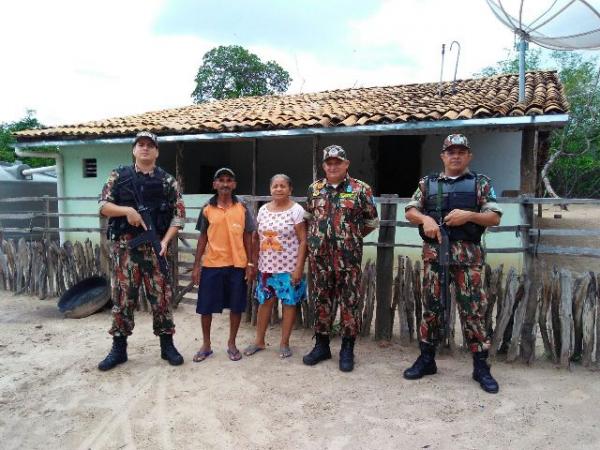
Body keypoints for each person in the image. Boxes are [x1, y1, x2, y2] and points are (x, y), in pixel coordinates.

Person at [403, 133, 502, 394]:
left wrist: (469, 215)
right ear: (443, 156)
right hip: (435, 257)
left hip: (468, 260)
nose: (455, 155)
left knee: (473, 312)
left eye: (461, 151)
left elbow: (494, 217)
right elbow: (410, 210)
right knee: (431, 309)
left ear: (468, 155)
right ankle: (427, 360)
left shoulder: (481, 183)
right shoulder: (428, 183)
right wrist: (425, 219)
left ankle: (480, 366)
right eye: (450, 151)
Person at [97, 131, 185, 371]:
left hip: (156, 248)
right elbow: (103, 205)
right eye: (141, 145)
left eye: (150, 145)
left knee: (162, 298)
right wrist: (127, 211)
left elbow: (178, 216)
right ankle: (119, 348)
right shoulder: (119, 175)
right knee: (123, 298)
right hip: (126, 248)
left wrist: (165, 241)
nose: (145, 148)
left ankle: (167, 346)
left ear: (156, 151)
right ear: (134, 150)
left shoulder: (167, 181)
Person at [303, 145, 379, 372]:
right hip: (320, 259)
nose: (333, 166)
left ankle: (347, 349)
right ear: (324, 166)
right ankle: (322, 345)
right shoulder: (314, 189)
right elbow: (309, 219)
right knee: (321, 300)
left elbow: (371, 223)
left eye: (338, 162)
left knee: (350, 302)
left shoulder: (361, 189)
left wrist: (350, 238)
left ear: (346, 164)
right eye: (329, 163)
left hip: (348, 259)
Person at [191, 168, 256, 362]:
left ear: (234, 185)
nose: (225, 184)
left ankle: (232, 344)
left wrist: (250, 263)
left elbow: (248, 237)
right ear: (215, 185)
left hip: (237, 265)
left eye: (229, 180)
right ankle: (206, 345)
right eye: (221, 180)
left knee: (236, 307)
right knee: (205, 307)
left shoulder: (243, 208)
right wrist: (197, 266)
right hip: (212, 264)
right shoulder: (207, 208)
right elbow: (202, 238)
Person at [243, 174, 307, 359]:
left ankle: (284, 343)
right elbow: (256, 238)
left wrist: (298, 268)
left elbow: (303, 240)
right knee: (265, 303)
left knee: (289, 304)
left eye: (283, 186)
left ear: (290, 189)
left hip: (288, 268)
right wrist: (253, 263)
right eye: (275, 186)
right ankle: (259, 341)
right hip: (266, 268)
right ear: (270, 189)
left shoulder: (297, 211)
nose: (279, 189)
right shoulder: (263, 210)